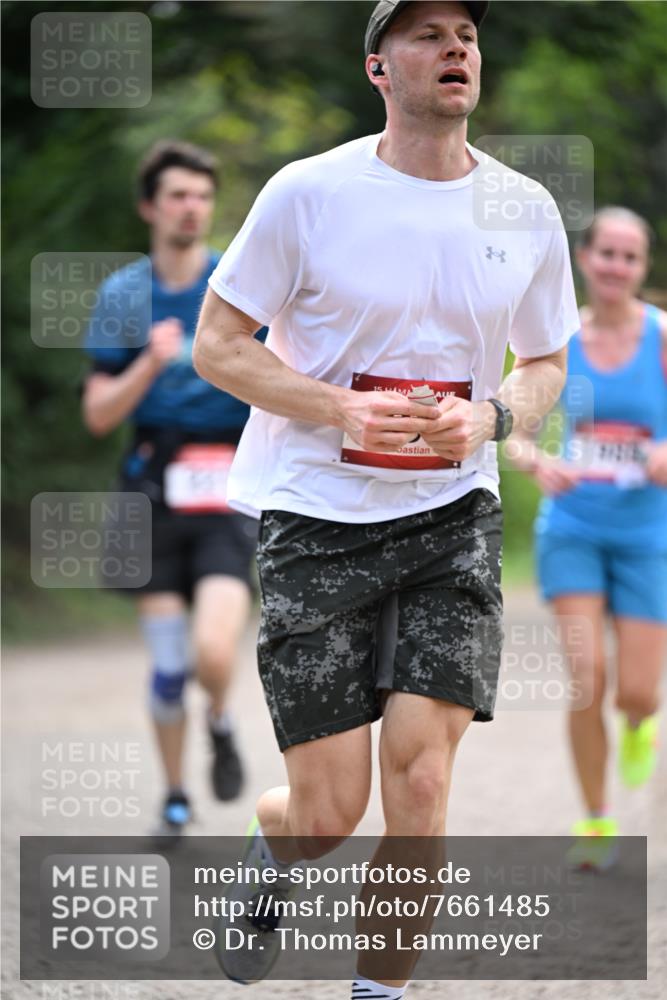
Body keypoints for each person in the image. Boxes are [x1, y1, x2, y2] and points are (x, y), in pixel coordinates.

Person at [194, 1, 579, 994]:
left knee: (420, 779)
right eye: (425, 34)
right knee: (327, 816)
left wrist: (493, 417)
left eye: (466, 34)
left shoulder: (523, 208)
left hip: (453, 520)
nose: (454, 47)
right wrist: (336, 409)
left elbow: (543, 360)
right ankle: (274, 852)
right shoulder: (308, 193)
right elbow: (218, 345)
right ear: (378, 68)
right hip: (316, 523)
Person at [82, 141, 264, 838]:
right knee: (165, 666)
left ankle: (218, 719)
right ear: (150, 207)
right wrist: (148, 366)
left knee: (212, 653)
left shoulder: (237, 284)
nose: (191, 208)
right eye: (177, 195)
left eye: (200, 196)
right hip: (153, 487)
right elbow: (98, 414)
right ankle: (174, 798)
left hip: (228, 485)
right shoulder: (124, 295)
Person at [514, 206, 667, 869]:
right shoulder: (557, 337)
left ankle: (639, 723)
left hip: (647, 531)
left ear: (642, 268)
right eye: (606, 252)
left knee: (636, 692)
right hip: (572, 527)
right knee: (585, 678)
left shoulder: (661, 336)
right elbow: (512, 428)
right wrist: (535, 461)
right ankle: (597, 820)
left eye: (629, 257)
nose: (615, 266)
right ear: (583, 257)